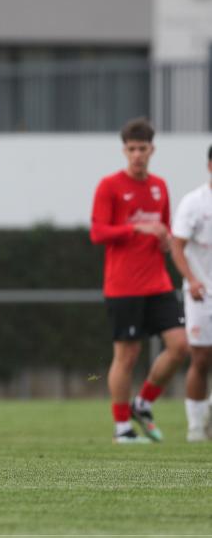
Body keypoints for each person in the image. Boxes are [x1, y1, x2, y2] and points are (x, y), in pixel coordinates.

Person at [89, 117, 188, 444]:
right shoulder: (109, 186)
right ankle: (123, 429)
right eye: (131, 149)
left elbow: (165, 230)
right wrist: (137, 228)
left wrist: (163, 239)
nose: (137, 155)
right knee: (127, 356)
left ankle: (143, 403)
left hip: (157, 282)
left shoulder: (159, 186)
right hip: (123, 286)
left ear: (152, 149)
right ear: (124, 151)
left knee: (180, 347)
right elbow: (98, 232)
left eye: (142, 148)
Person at [170, 144, 212, 441]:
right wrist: (192, 281)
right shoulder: (194, 203)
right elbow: (176, 246)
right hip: (201, 293)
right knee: (201, 358)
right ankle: (196, 428)